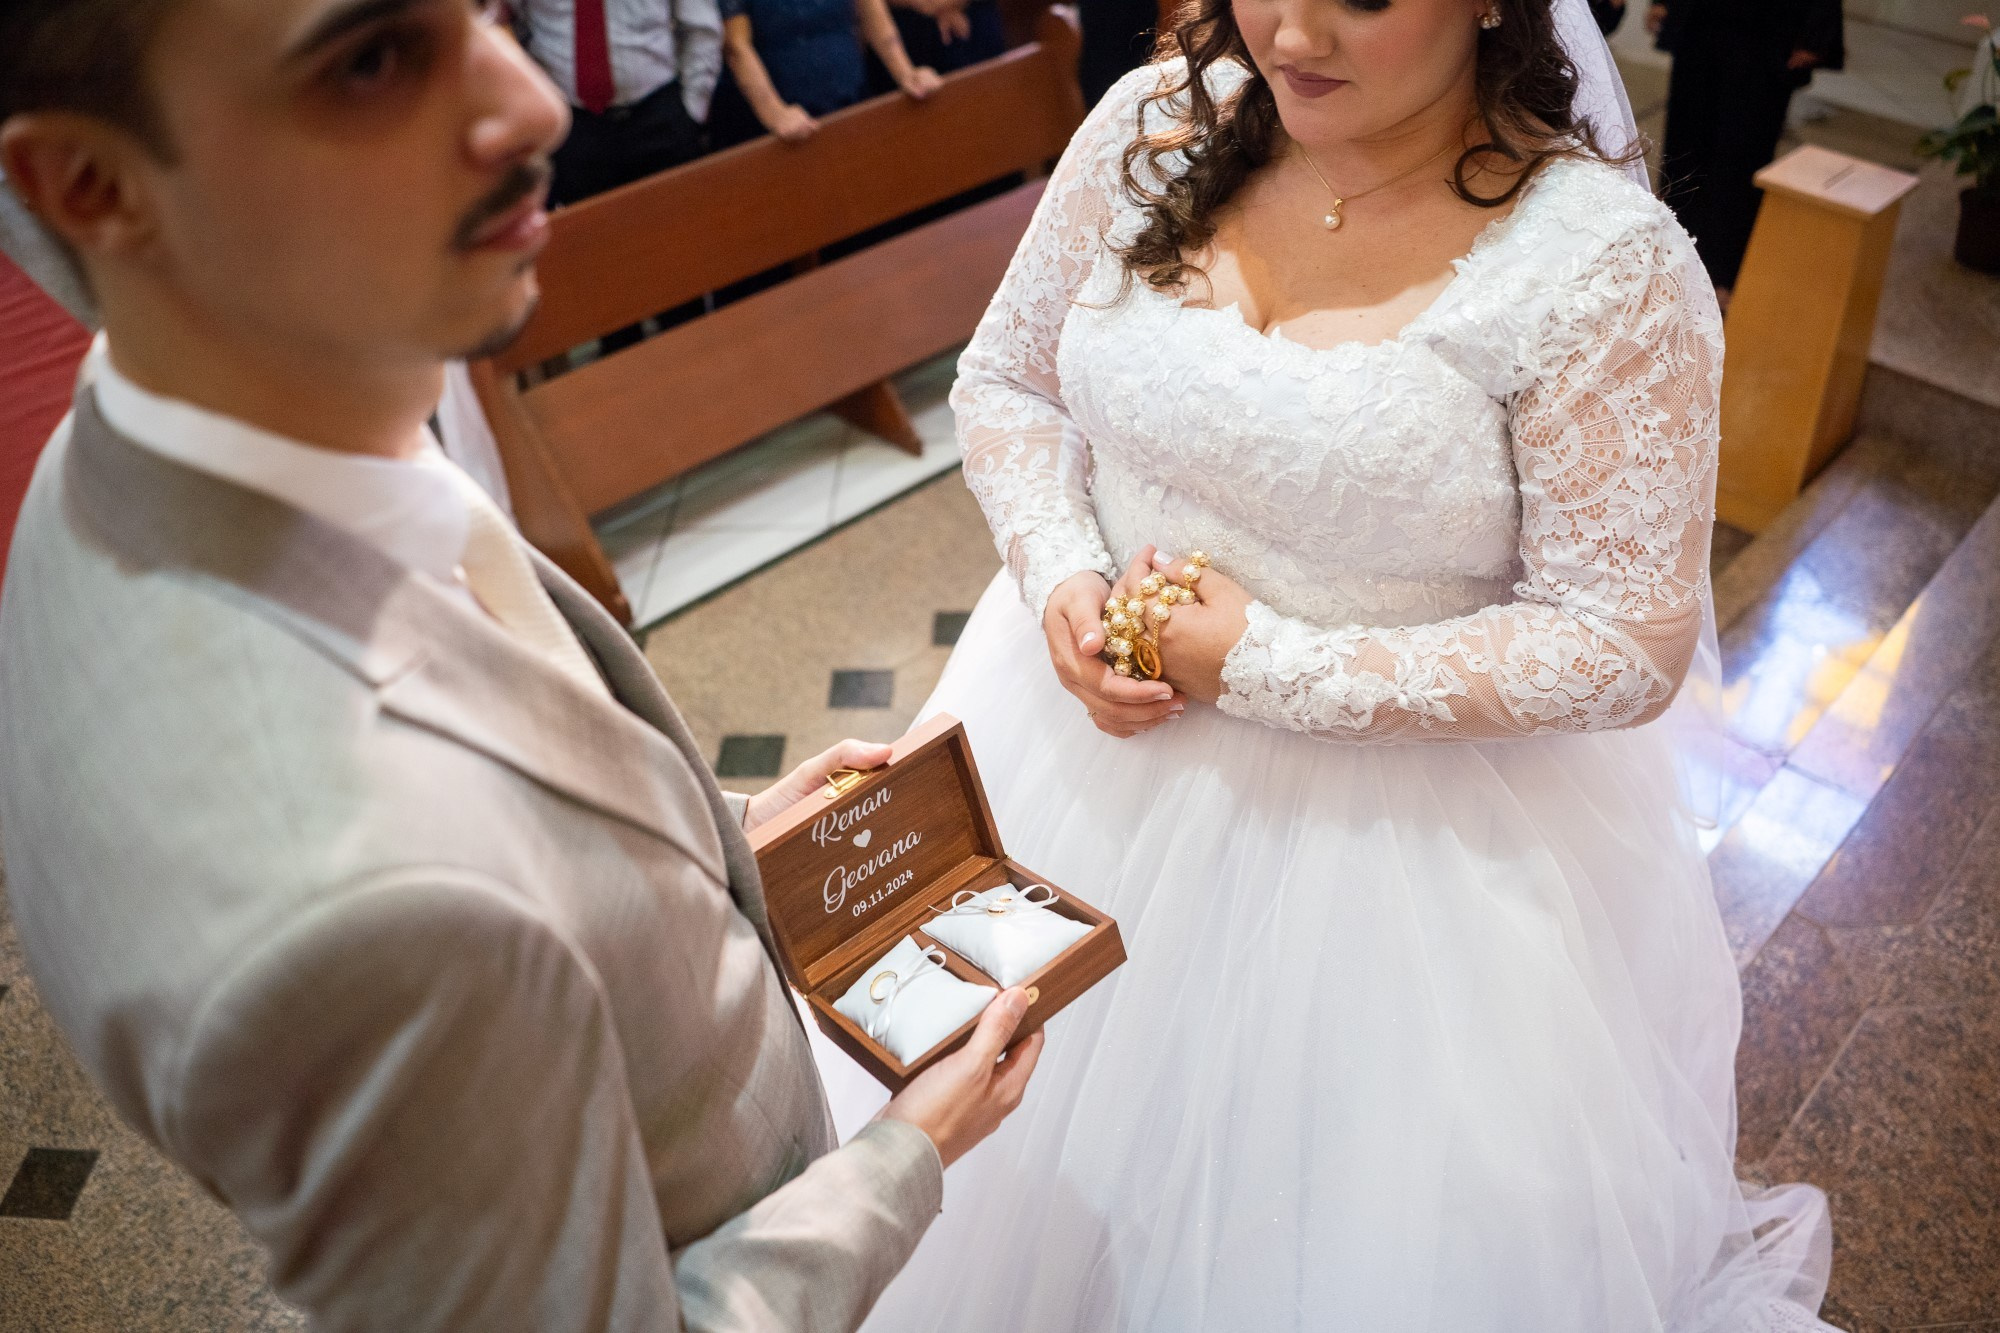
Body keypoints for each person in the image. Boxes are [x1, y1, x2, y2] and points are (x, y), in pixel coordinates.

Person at [0, 1, 1042, 1327]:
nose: (535, 109)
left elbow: (504, 816)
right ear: (90, 185)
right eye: (372, 58)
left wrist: (705, 839)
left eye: (481, 12)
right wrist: (906, 1156)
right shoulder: (367, 915)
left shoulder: (191, 410)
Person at [809, 0, 1842, 1327]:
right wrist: (1065, 572)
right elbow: (1009, 380)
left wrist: (1268, 664)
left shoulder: (1598, 267)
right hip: (1061, 758)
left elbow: (1622, 641)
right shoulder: (1151, 126)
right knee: (1018, 1184)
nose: (1291, 30)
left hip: (1391, 864)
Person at [1652, 0, 1845, 300]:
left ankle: (1721, 273)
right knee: (1684, 143)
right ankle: (1663, 256)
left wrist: (1817, 34)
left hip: (1766, 35)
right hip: (1701, 25)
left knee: (1742, 156)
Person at [512, 0, 725, 206]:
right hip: (571, 129)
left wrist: (691, 111)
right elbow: (507, 25)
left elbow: (701, 29)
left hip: (659, 118)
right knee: (590, 232)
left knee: (680, 225)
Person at [707, 0, 942, 147]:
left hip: (850, 93)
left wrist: (906, 73)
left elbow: (871, 9)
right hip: (783, 117)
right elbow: (737, 47)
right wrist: (776, 113)